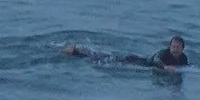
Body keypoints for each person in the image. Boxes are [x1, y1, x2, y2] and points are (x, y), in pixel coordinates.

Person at [61, 35, 189, 70]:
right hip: (137, 62)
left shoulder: (183, 58)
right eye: (173, 46)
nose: (175, 49)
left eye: (178, 47)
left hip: (140, 61)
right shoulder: (163, 53)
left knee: (108, 59)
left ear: (182, 48)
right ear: (169, 46)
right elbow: (156, 59)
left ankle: (78, 51)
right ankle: (76, 51)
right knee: (106, 60)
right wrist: (164, 67)